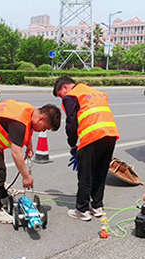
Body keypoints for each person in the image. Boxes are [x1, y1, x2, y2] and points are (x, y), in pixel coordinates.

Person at [0, 100, 61, 224]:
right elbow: (16, 153)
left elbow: (28, 128)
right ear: (41, 119)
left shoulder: (30, 111)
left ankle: (3, 197)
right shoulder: (19, 123)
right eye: (45, 128)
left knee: (0, 171)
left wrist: (29, 146)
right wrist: (26, 177)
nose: (42, 131)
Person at [53, 76, 120, 221]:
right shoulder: (93, 92)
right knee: (100, 172)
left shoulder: (72, 95)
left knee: (86, 173)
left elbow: (71, 123)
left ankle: (82, 209)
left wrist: (72, 144)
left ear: (65, 87)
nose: (62, 99)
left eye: (60, 95)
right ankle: (97, 206)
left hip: (92, 136)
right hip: (110, 134)